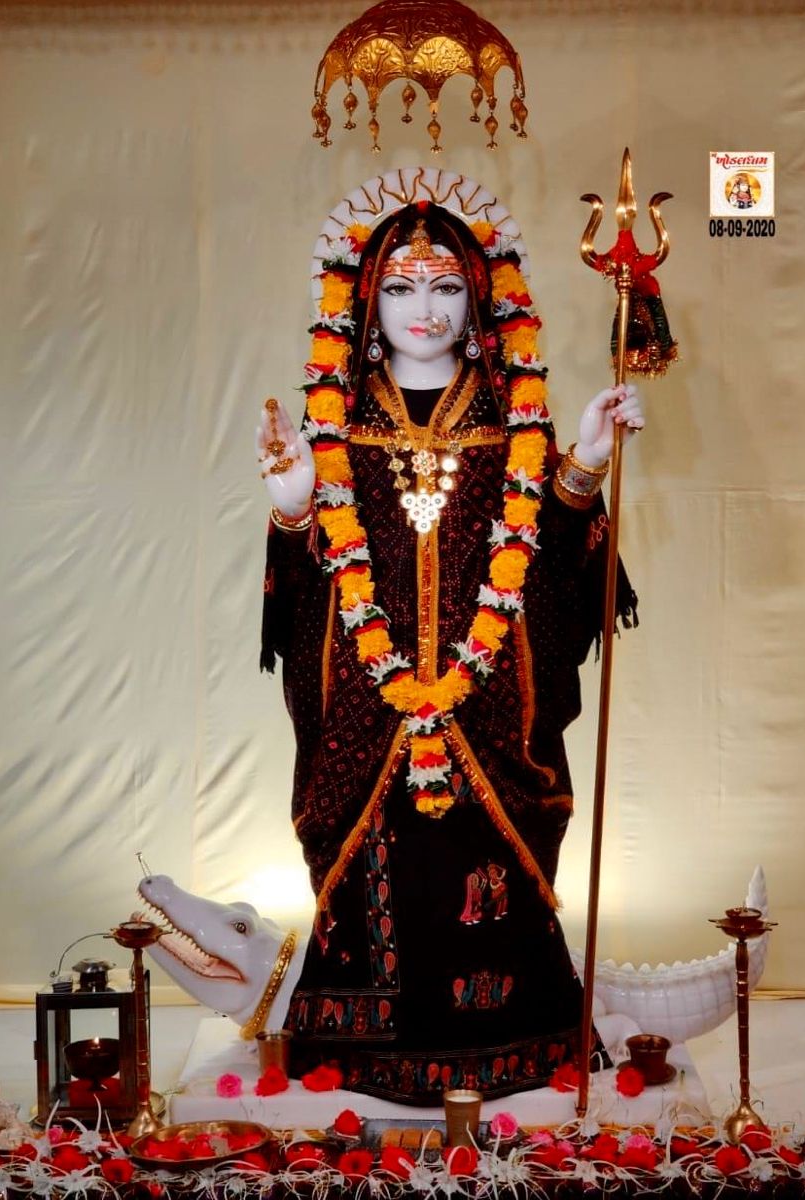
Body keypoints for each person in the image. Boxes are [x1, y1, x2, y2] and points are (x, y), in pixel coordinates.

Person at [258, 192, 643, 1104]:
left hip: (492, 694)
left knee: (487, 863)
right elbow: (304, 582)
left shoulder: (513, 420)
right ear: (365, 304)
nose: (423, 310)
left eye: (444, 288)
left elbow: (549, 549)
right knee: (375, 860)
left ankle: (515, 1036)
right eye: (400, 289)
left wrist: (585, 461)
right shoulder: (334, 423)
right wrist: (294, 508)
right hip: (365, 698)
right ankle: (361, 1036)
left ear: (480, 299)